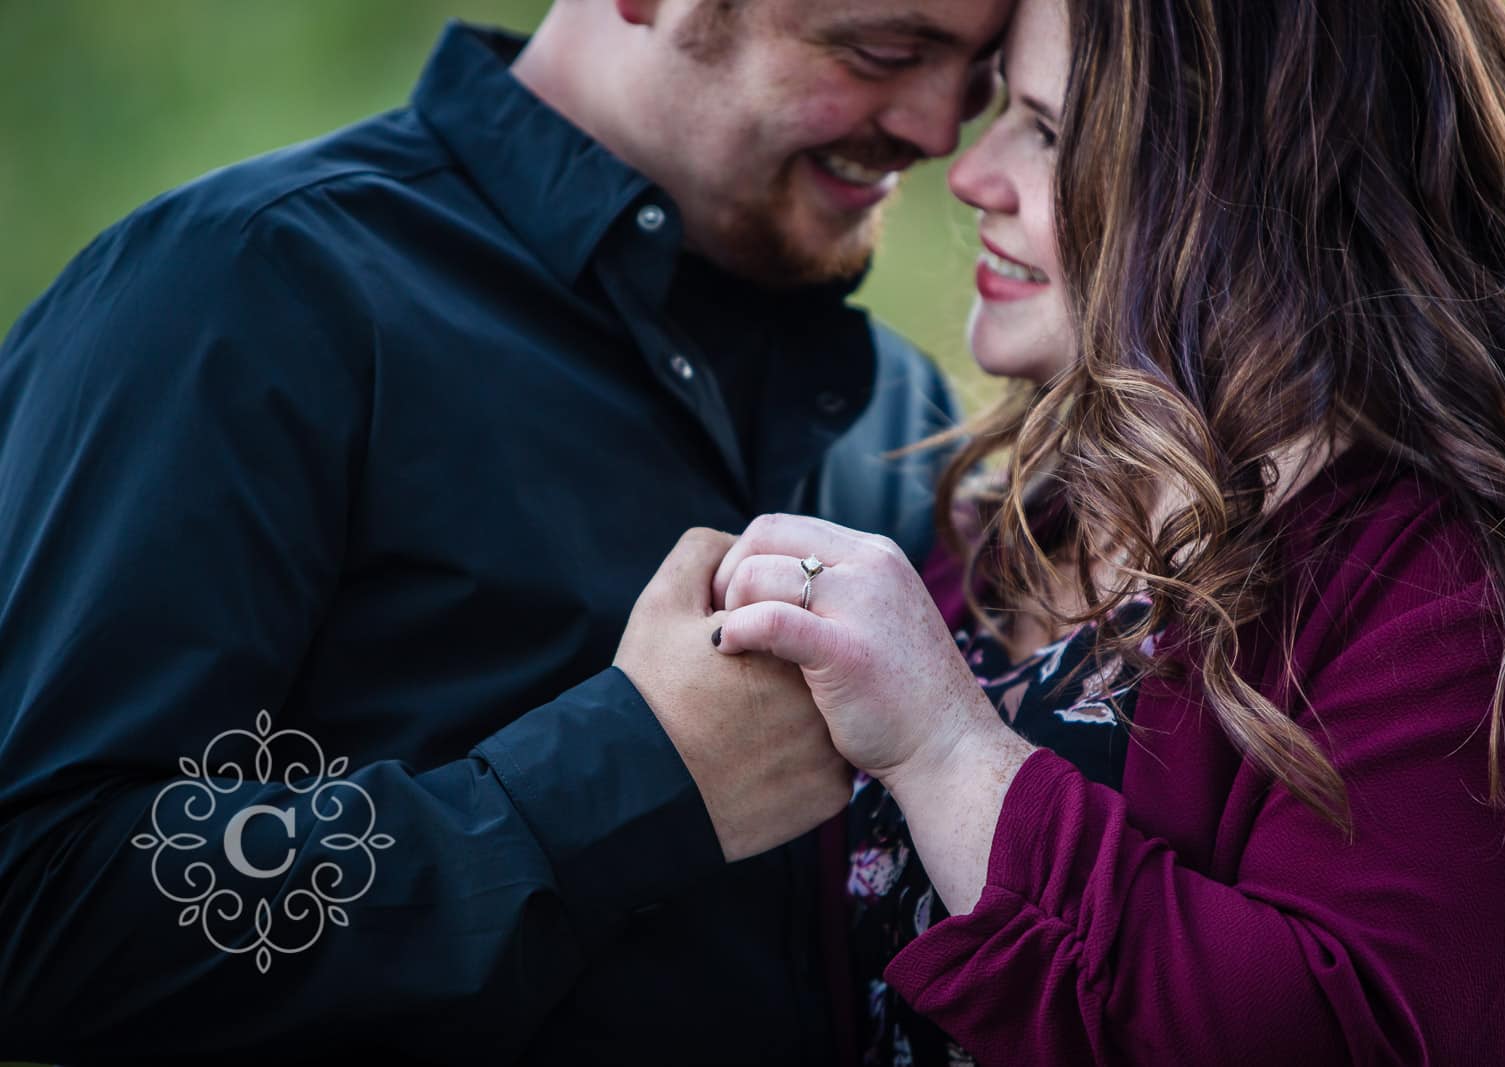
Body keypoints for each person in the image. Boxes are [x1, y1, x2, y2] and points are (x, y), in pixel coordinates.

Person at [0, 1, 1013, 1062]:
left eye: (979, 74)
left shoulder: (905, 417)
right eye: (883, 52)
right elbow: (38, 899)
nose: (942, 130)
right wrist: (624, 781)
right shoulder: (240, 291)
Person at [693, 0, 1505, 1060]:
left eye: (1045, 129)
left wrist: (945, 749)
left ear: (1247, 184)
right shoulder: (1015, 529)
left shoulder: (1458, 588)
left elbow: (1334, 1034)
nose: (970, 172)